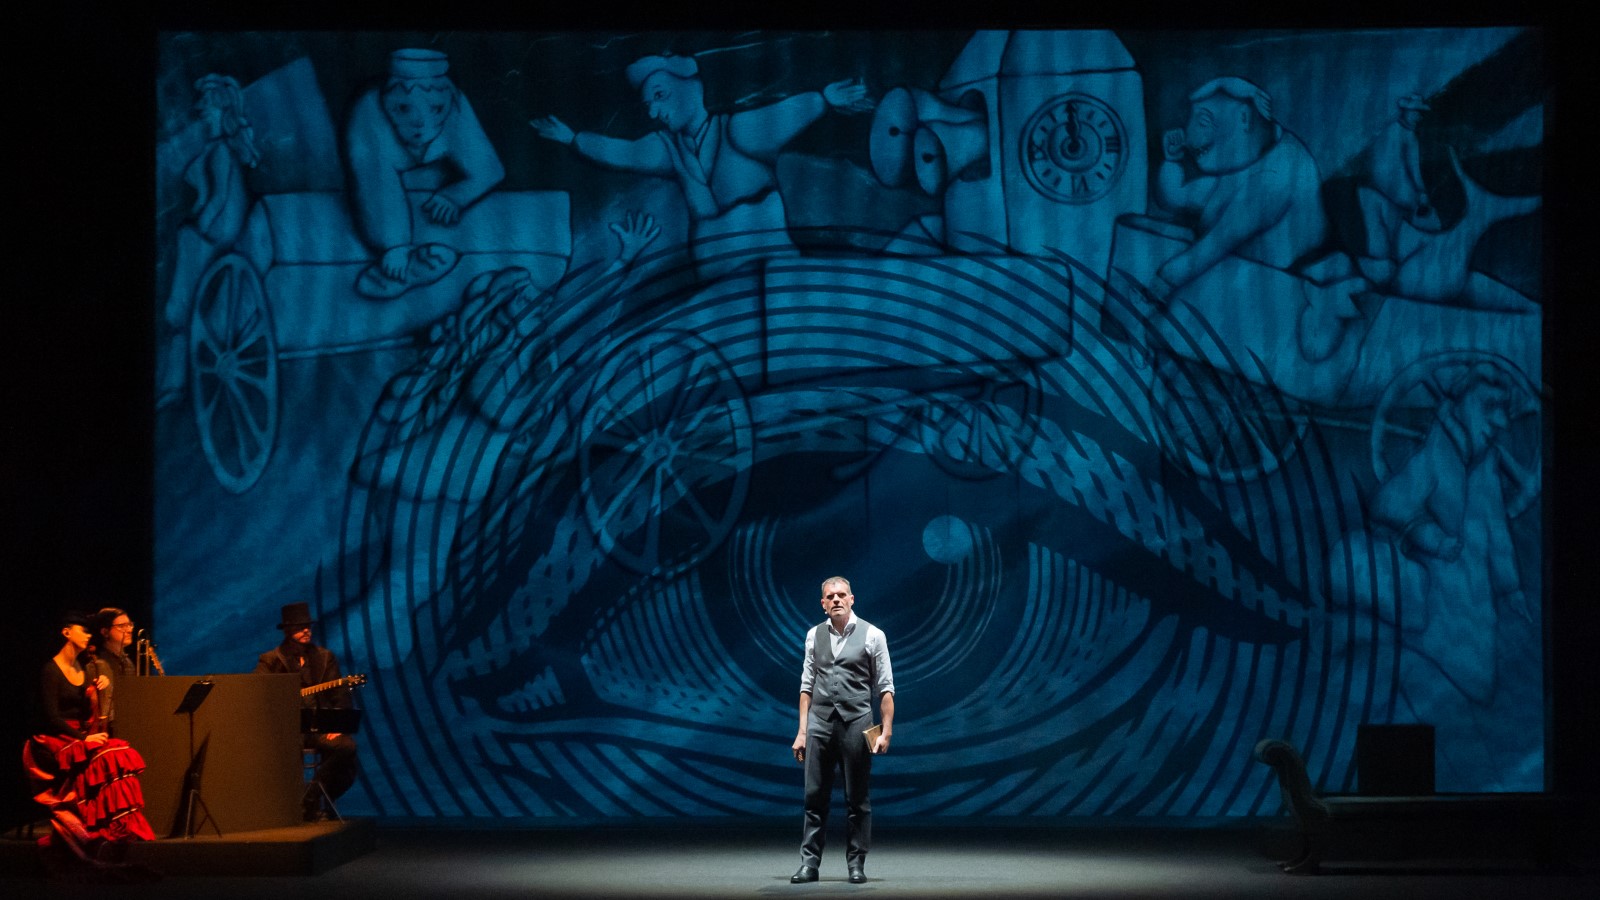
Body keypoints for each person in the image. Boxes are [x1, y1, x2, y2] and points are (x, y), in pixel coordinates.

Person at [531, 53, 870, 281]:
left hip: (773, 280)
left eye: (660, 96)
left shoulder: (737, 132)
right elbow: (625, 152)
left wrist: (825, 99)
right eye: (648, 105)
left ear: (692, 86)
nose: (654, 112)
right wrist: (572, 139)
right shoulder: (669, 149)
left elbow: (783, 115)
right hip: (717, 295)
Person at [345, 48, 506, 299]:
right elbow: (374, 184)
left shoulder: (454, 104)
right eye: (403, 108)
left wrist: (455, 196)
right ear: (388, 101)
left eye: (435, 109)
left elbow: (490, 169)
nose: (419, 123)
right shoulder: (368, 115)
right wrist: (395, 245)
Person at [1152, 76, 1326, 299]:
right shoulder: (1247, 161)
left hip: (1270, 294)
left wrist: (1153, 289)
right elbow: (1177, 197)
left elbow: (1206, 252)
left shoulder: (1276, 175)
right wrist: (1172, 160)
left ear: (1244, 118)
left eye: (1203, 121)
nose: (1188, 135)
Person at [24, 613, 157, 879]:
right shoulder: (51, 669)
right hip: (54, 738)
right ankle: (90, 832)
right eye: (82, 630)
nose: (87, 635)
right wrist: (83, 739)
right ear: (66, 633)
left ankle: (109, 831)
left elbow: (87, 711)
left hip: (80, 734)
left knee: (122, 752)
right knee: (107, 755)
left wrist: (96, 688)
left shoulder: (83, 668)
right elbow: (51, 717)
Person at [790, 577, 894, 885]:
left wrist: (886, 731)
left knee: (857, 798)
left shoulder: (873, 635)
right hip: (820, 723)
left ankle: (856, 863)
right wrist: (802, 731)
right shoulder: (814, 635)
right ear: (823, 603)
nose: (836, 600)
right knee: (814, 796)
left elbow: (885, 688)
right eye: (830, 596)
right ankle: (809, 864)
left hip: (858, 722)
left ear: (851, 599)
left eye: (841, 595)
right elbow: (806, 685)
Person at [253, 602, 359, 821]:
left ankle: (312, 796)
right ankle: (294, 807)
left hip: (319, 727)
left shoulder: (324, 657)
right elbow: (256, 691)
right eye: (300, 627)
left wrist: (337, 726)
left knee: (346, 747)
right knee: (288, 751)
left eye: (308, 626)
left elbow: (340, 694)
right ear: (287, 630)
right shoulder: (271, 660)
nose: (306, 631)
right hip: (287, 729)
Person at [84, 607, 138, 736]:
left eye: (130, 624)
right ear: (105, 632)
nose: (129, 630)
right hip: (110, 729)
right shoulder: (98, 664)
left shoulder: (128, 663)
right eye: (121, 626)